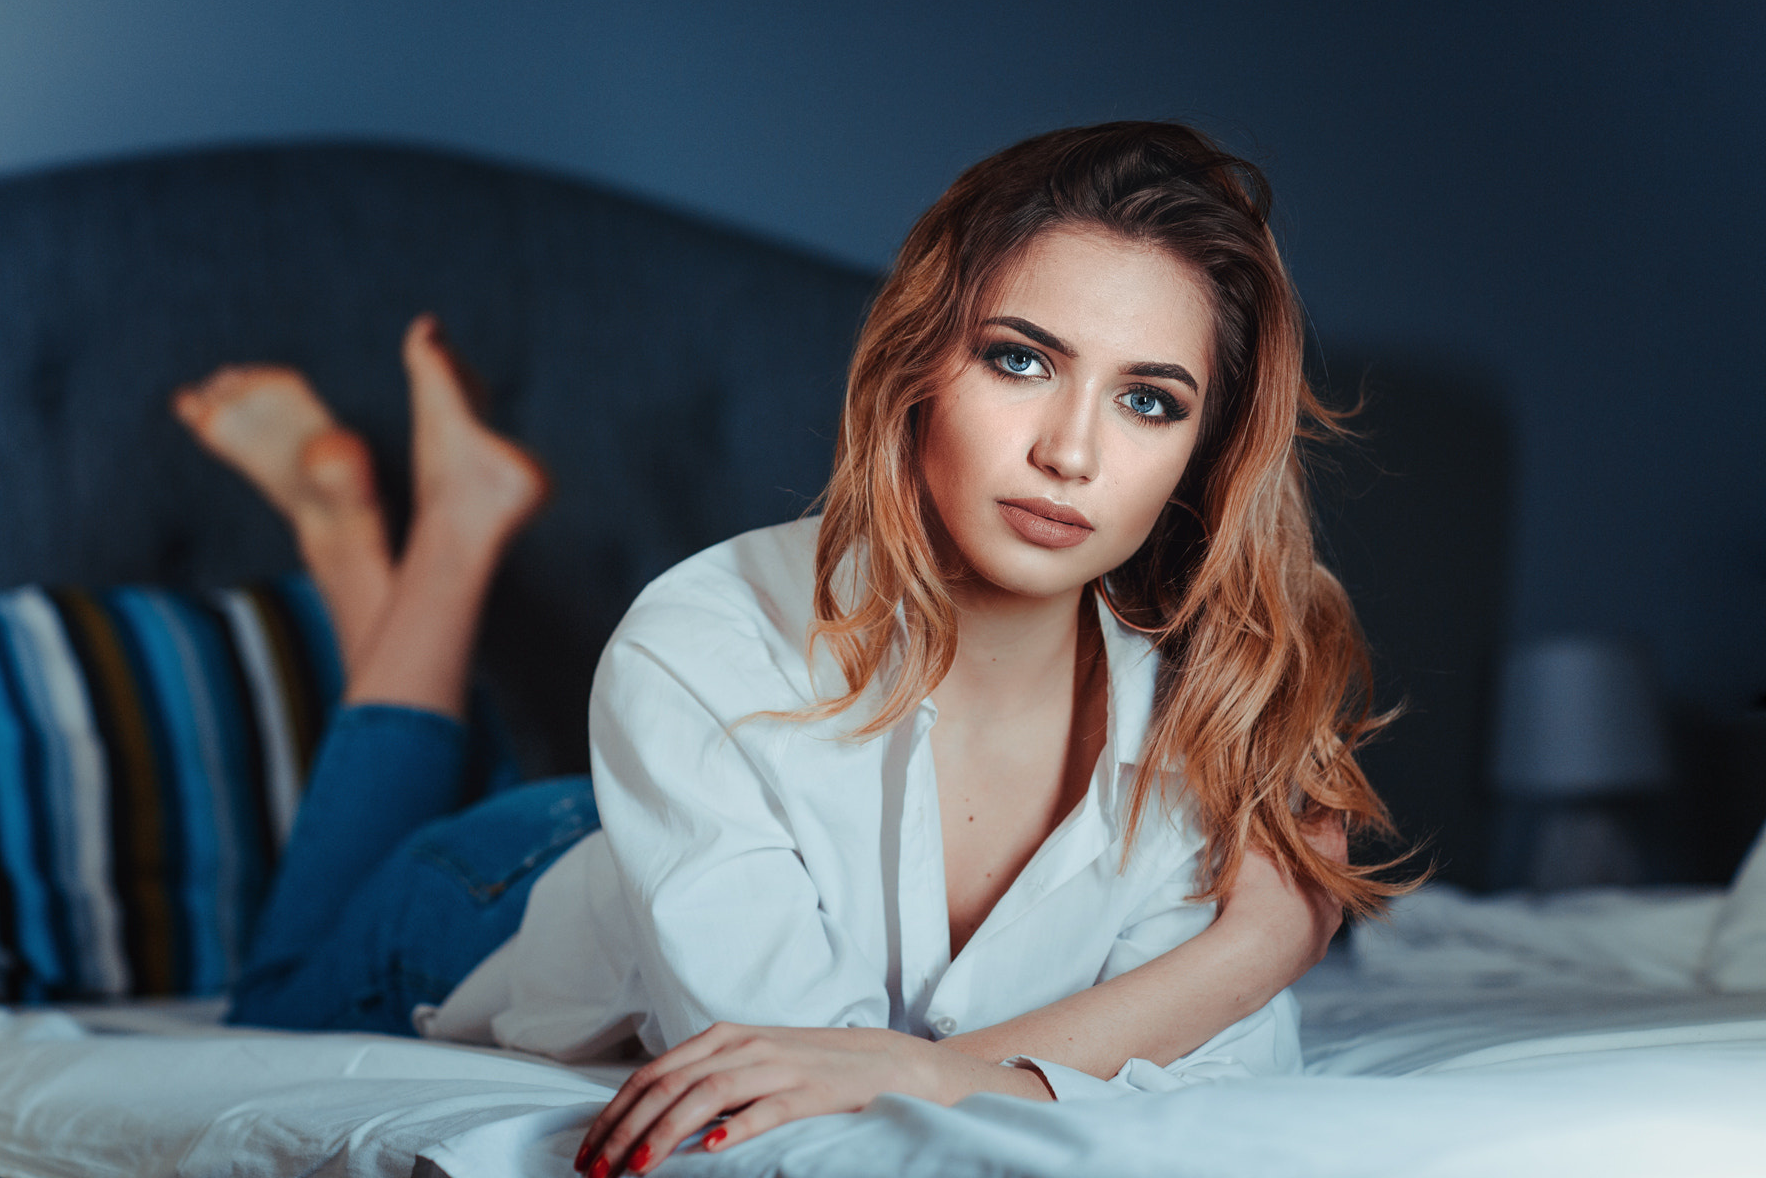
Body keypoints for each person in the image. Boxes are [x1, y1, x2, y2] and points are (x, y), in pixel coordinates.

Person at [176, 121, 1407, 1178]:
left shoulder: (1212, 711)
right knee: (271, 999)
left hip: (673, 814)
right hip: (511, 893)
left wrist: (1250, 954)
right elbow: (783, 1085)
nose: (1072, 454)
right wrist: (1247, 953)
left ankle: (396, 540)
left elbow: (1208, 1083)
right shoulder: (701, 635)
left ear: (1202, 457)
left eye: (1150, 399)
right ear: (920, 367)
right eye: (1020, 359)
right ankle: (419, 540)